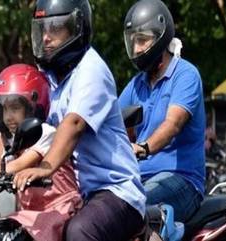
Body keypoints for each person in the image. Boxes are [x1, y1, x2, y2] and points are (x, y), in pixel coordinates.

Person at [13, 1, 146, 241]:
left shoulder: (91, 69)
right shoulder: (51, 78)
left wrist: (44, 167)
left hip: (116, 192)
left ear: (77, 28)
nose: (45, 37)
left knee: (79, 232)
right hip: (80, 193)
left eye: (55, 29)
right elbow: (20, 116)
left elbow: (73, 124)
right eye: (42, 29)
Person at [0, 64, 82, 241]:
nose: (9, 116)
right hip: (29, 215)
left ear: (32, 107)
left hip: (59, 210)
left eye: (15, 108)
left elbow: (15, 165)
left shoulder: (45, 132)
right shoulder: (11, 140)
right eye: (5, 109)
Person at [118, 0, 205, 222]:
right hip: (140, 177)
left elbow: (172, 124)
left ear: (161, 37)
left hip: (182, 180)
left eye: (142, 40)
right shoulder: (137, 83)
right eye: (133, 41)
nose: (136, 48)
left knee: (129, 210)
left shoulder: (186, 75)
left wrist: (143, 148)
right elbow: (111, 120)